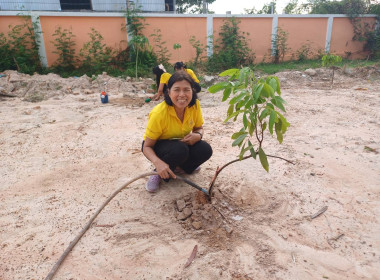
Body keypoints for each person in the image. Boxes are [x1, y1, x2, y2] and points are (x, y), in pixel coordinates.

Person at [142, 71, 213, 193]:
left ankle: (179, 167)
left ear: (192, 91)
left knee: (205, 149)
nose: (182, 95)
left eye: (186, 90)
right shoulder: (159, 113)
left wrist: (198, 135)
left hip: (182, 143)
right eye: (177, 90)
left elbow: (199, 128)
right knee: (180, 150)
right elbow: (146, 146)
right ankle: (157, 173)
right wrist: (158, 163)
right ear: (168, 92)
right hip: (162, 147)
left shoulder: (194, 105)